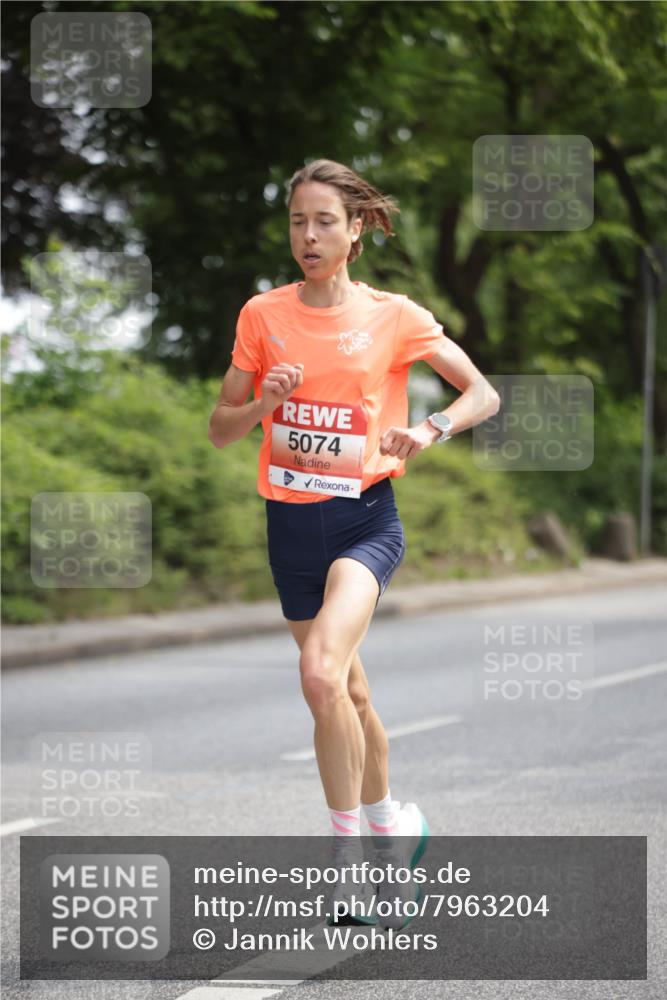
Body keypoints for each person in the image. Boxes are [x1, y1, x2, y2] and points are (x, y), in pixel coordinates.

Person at [208, 158, 500, 929]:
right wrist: (263, 402)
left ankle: (348, 868)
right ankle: (391, 829)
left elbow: (482, 391)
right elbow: (220, 429)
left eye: (324, 221)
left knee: (316, 674)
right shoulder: (261, 316)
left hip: (365, 520)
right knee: (348, 693)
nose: (308, 235)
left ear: (356, 229)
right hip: (290, 527)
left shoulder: (393, 315)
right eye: (298, 221)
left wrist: (430, 428)